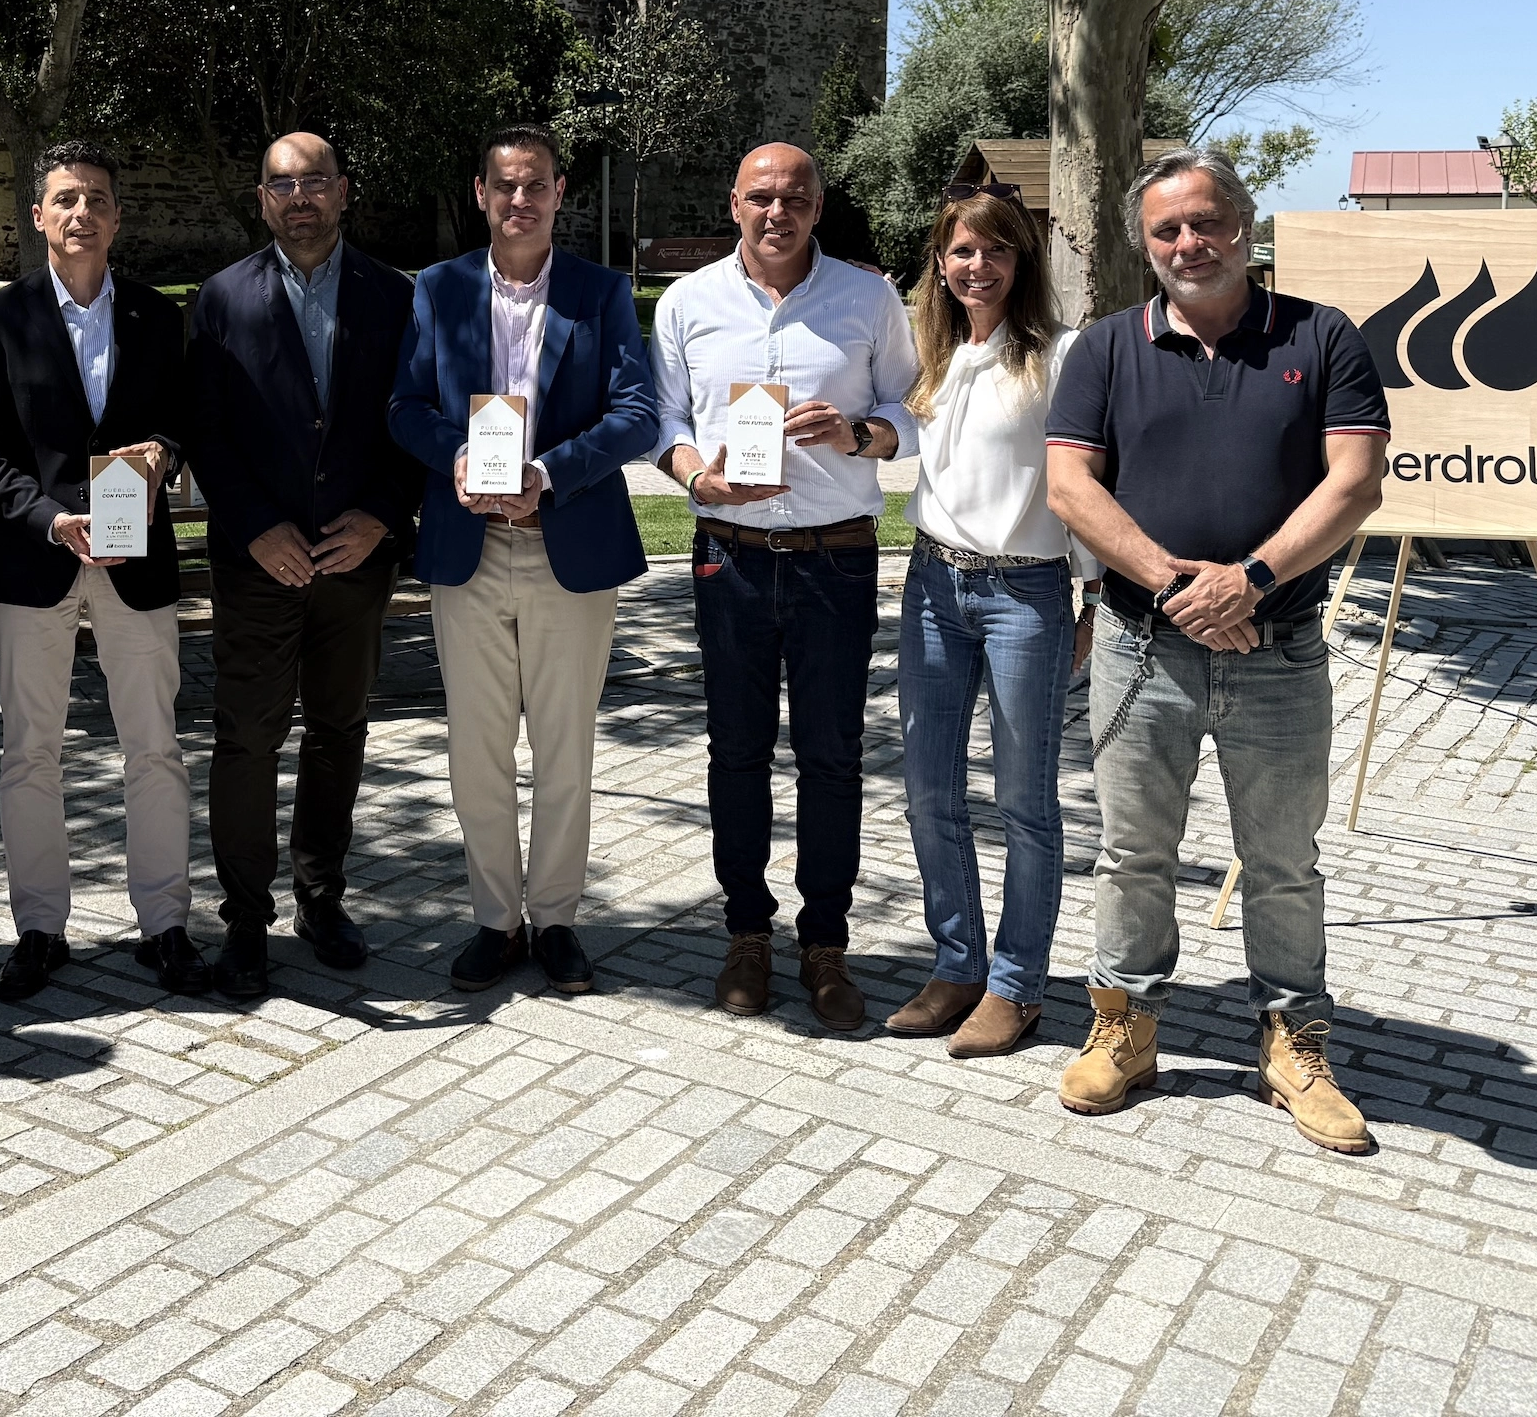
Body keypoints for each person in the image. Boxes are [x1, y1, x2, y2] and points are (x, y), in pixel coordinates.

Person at [1046, 146, 1389, 1153]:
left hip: (1278, 648)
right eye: (1166, 230)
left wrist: (1254, 580)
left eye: (1206, 222)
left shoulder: (1322, 337)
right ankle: (1125, 1030)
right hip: (1141, 647)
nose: (1188, 243)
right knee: (1133, 854)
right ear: (1143, 245)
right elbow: (1071, 486)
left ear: (1244, 224)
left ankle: (1294, 1046)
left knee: (1283, 861)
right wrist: (1175, 581)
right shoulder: (1106, 347)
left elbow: (1355, 482)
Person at [650, 143, 916, 1033]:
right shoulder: (689, 302)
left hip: (835, 558)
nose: (777, 212)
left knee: (833, 757)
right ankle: (746, 935)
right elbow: (666, 421)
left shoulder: (867, 296)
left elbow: (914, 409)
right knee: (736, 755)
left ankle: (826, 943)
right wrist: (699, 479)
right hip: (728, 555)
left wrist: (861, 431)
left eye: (794, 198)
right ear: (734, 204)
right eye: (761, 197)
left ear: (818, 204)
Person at [390, 124, 657, 998]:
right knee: (476, 750)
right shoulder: (437, 289)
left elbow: (636, 416)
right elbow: (404, 407)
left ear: (559, 190)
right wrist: (454, 456)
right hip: (468, 548)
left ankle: (558, 918)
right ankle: (495, 919)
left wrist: (549, 472)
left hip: (562, 546)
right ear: (480, 193)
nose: (519, 200)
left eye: (535, 184)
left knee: (565, 747)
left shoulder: (601, 291)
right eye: (504, 185)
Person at [0, 141, 199, 1003]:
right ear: (38, 216)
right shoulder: (0, 319)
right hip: (38, 559)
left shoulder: (155, 316)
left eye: (96, 198)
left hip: (136, 562)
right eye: (64, 199)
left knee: (155, 749)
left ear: (117, 216)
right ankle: (38, 927)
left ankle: (165, 923)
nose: (80, 213)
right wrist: (51, 519)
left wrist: (163, 453)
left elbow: (181, 423)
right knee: (29, 752)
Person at [184, 134, 420, 1000]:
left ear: (343, 192)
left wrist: (383, 516)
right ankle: (245, 918)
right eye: (281, 184)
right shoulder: (221, 299)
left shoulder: (395, 297)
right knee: (246, 740)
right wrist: (254, 528)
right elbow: (205, 429)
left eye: (314, 181)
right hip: (259, 564)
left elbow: (417, 418)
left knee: (338, 731)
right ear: (262, 200)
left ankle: (322, 897)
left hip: (356, 561)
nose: (299, 198)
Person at [891, 181, 1095, 1057]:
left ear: (1023, 261)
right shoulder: (929, 359)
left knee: (1023, 800)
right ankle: (958, 964)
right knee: (929, 790)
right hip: (933, 587)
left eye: (998, 250)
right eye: (963, 251)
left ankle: (1018, 985)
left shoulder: (1059, 355)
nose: (979, 266)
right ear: (940, 262)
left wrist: (1092, 597)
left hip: (1028, 595)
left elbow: (1086, 483)